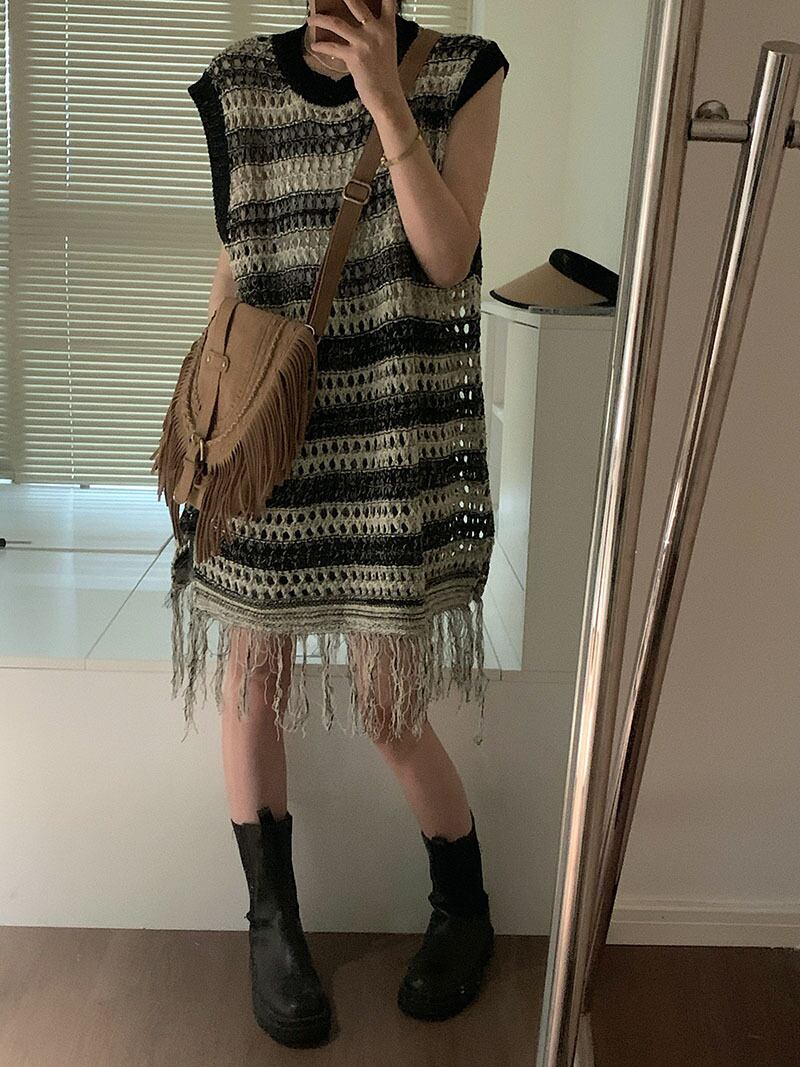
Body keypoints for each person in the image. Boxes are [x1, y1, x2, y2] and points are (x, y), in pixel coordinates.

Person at [174, 0, 509, 1048]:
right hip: (268, 437)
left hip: (386, 447)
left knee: (385, 701)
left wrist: (386, 100)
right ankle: (271, 926)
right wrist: (209, 433)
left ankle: (464, 904)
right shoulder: (238, 86)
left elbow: (448, 258)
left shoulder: (460, 72)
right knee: (252, 681)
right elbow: (232, 266)